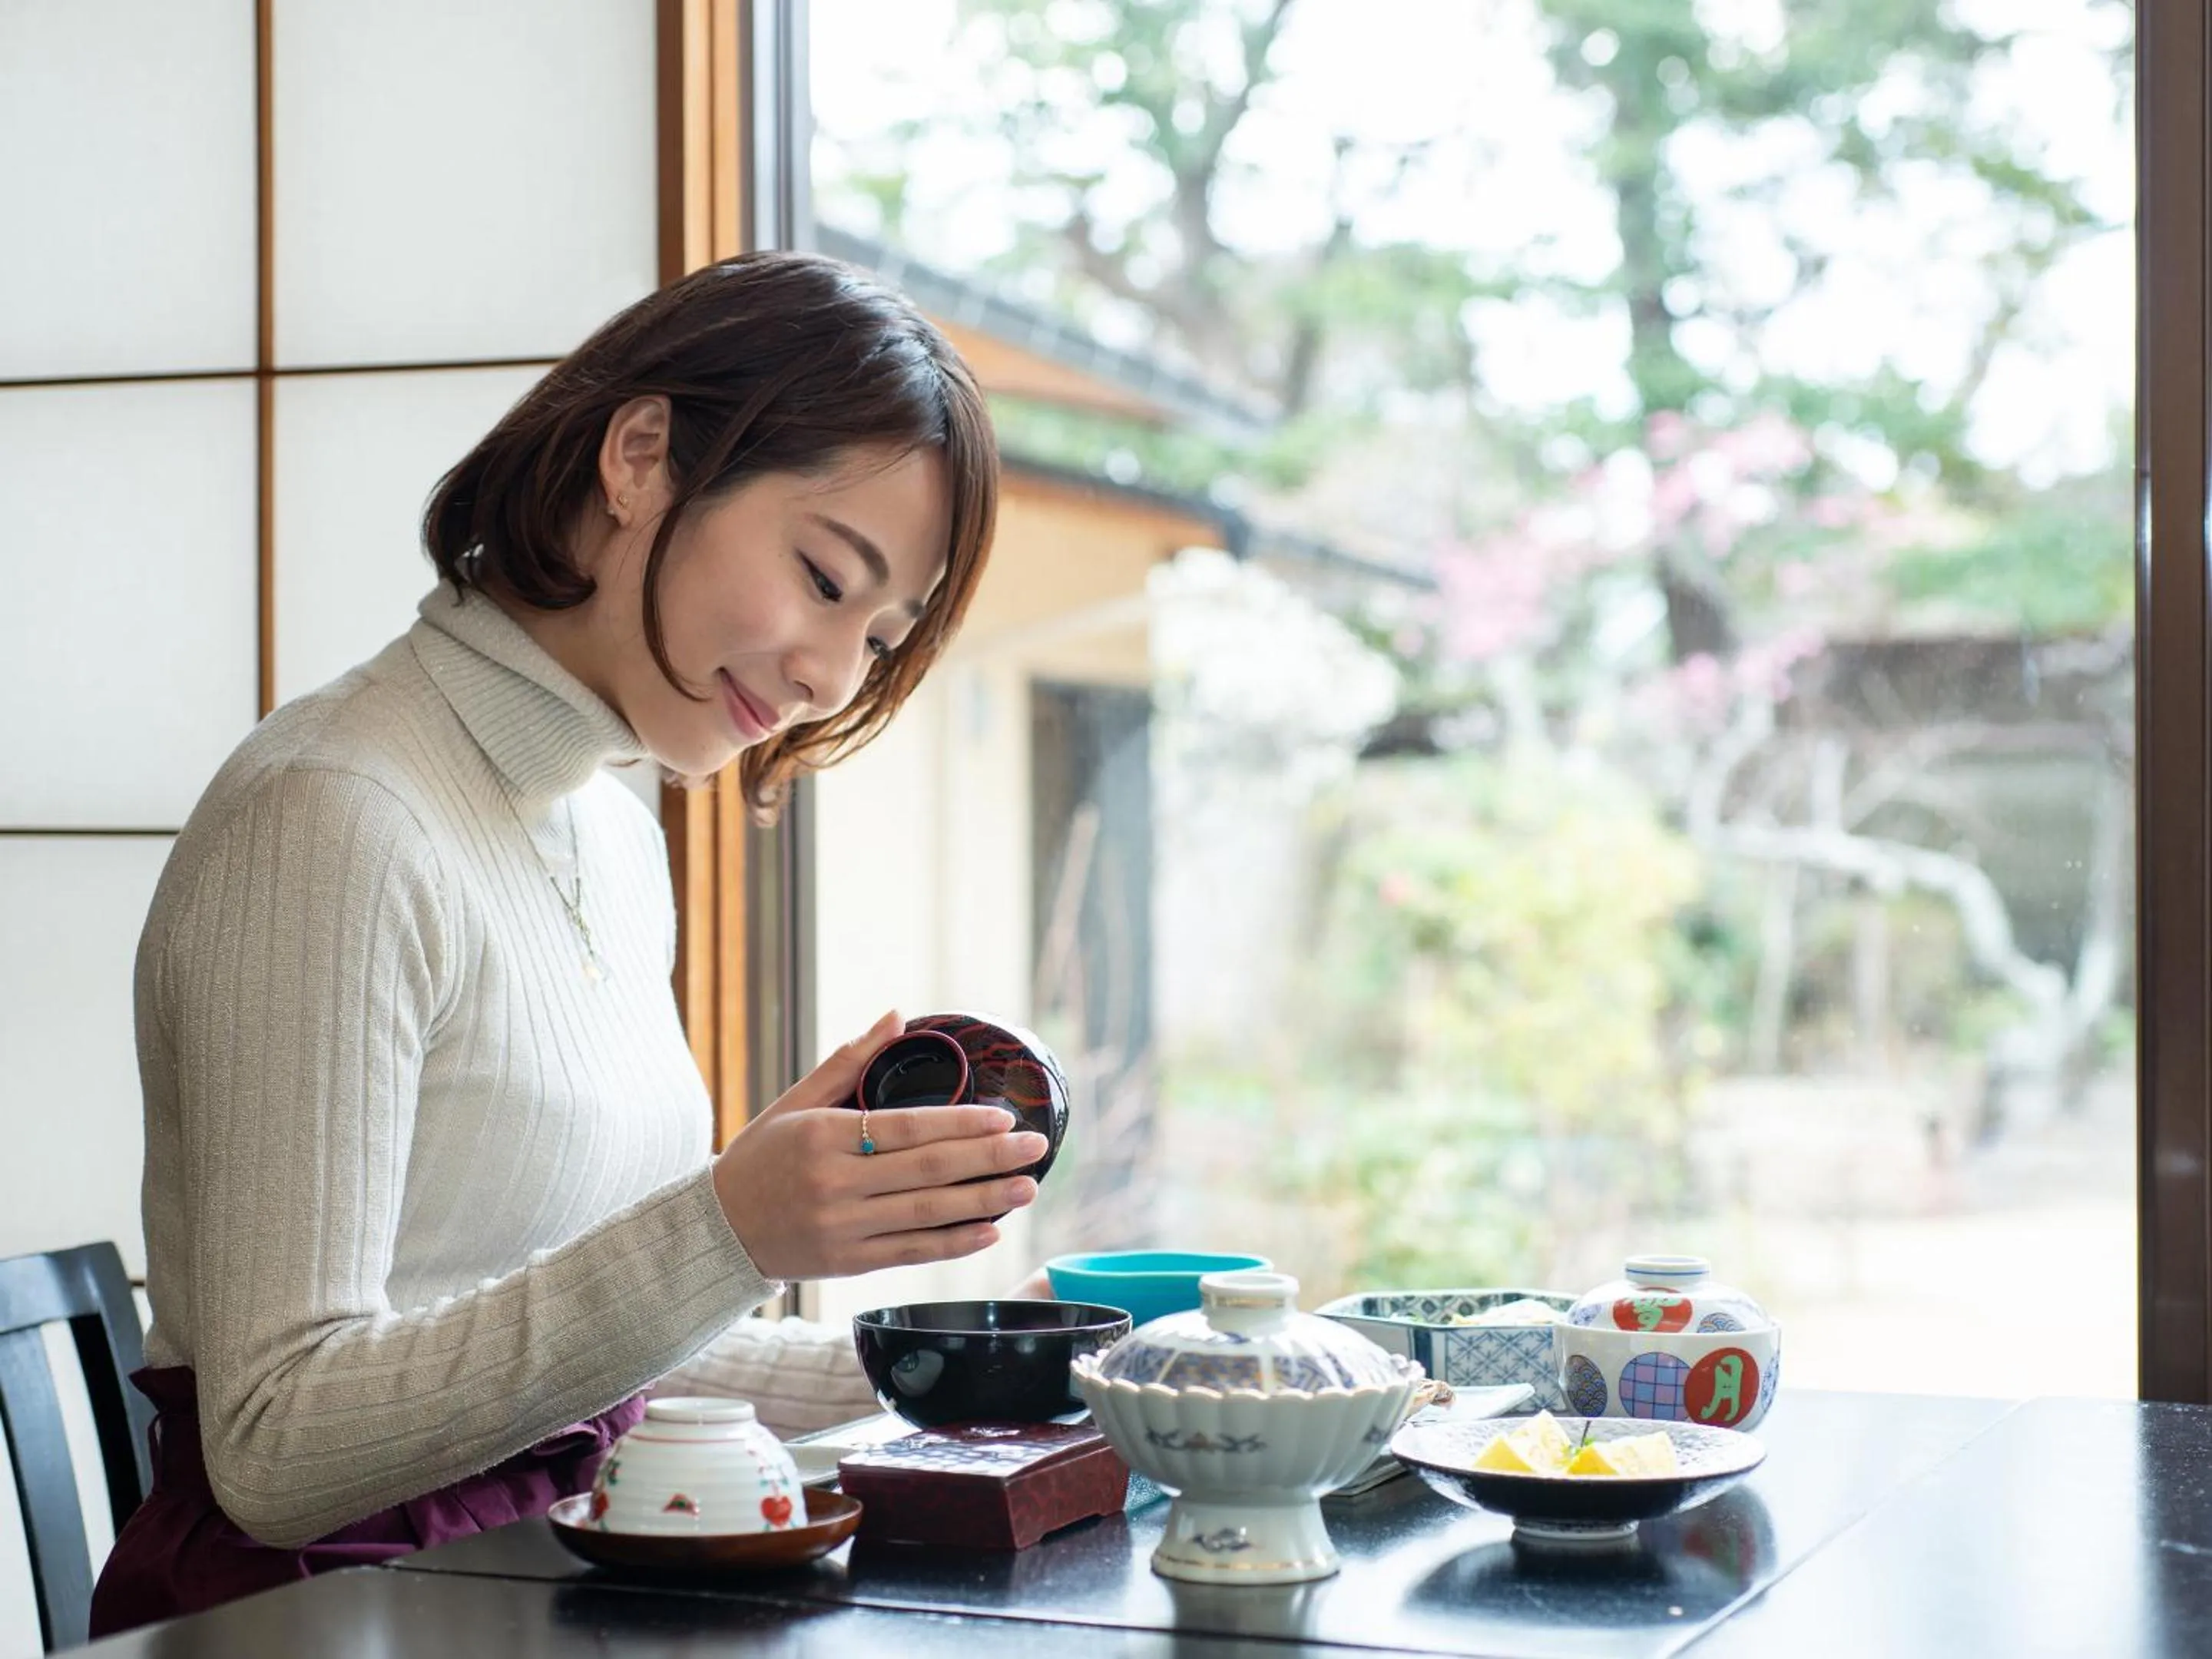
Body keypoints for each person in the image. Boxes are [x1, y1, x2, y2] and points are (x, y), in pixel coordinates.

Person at [90, 252, 1036, 1634]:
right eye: (826, 579)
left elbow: (600, 1367)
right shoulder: (337, 816)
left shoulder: (607, 822)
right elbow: (276, 1448)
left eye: (880, 639)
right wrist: (726, 1229)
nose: (835, 675)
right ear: (641, 455)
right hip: (317, 1613)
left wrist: (1020, 1373)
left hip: (549, 1580)